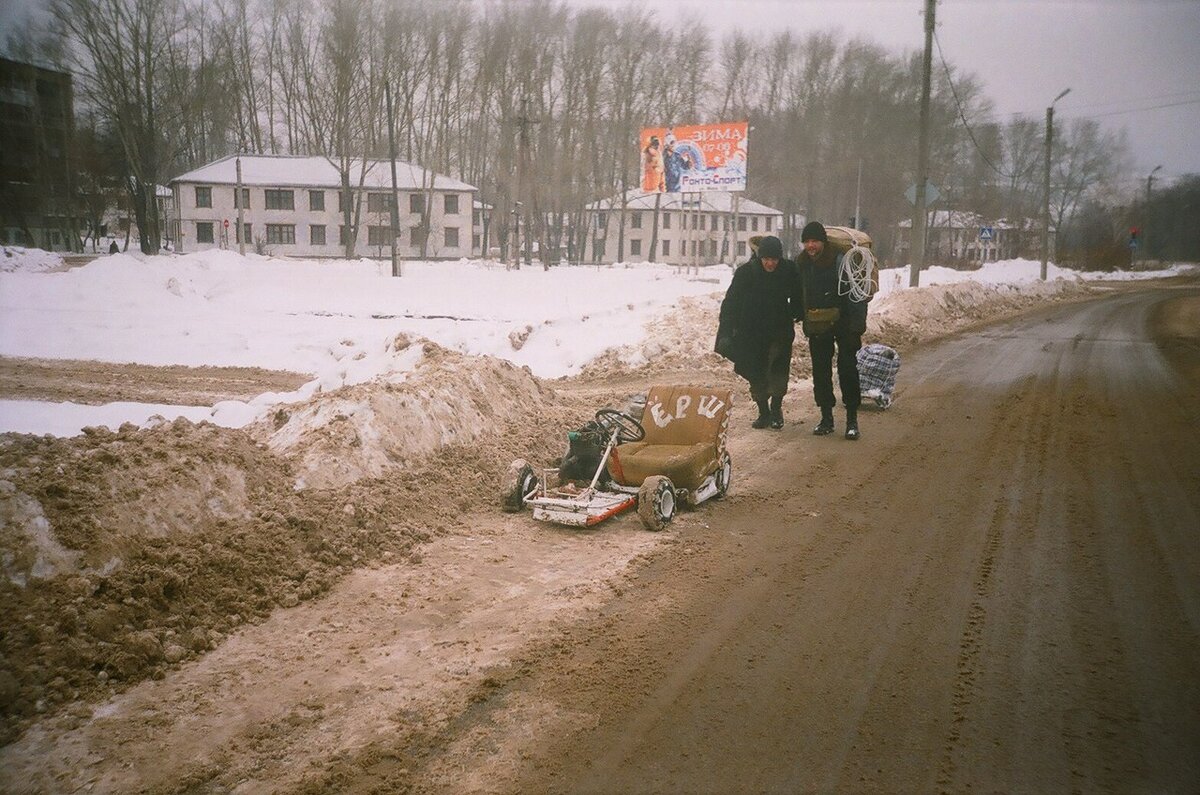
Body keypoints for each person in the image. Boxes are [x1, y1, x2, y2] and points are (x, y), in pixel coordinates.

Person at [715, 235, 802, 429]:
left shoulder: (788, 270)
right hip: (751, 331)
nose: (770, 263)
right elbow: (731, 303)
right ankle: (763, 412)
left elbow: (798, 293)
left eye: (774, 259)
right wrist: (726, 331)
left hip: (779, 330)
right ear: (759, 257)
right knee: (756, 372)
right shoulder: (746, 273)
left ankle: (777, 409)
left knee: (778, 371)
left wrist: (798, 311)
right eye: (766, 259)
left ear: (780, 258)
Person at [796, 221, 869, 440]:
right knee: (821, 372)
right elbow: (799, 293)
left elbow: (857, 295)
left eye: (815, 241)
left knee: (847, 370)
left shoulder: (840, 261)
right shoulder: (801, 264)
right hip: (818, 325)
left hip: (845, 325)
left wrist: (857, 326)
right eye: (807, 241)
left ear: (823, 242)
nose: (811, 246)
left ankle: (852, 419)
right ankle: (826, 417)